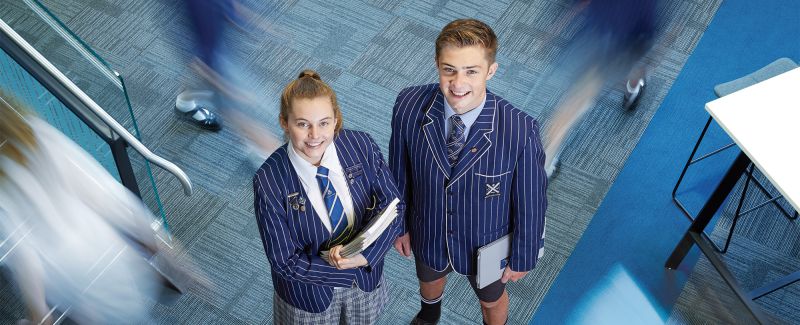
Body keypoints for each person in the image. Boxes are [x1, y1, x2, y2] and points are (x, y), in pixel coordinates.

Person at [389, 19, 548, 325]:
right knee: (429, 279)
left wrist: (524, 254)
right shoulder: (408, 105)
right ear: (437, 65)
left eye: (471, 71)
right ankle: (429, 313)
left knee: (491, 301)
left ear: (491, 70)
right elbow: (399, 170)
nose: (458, 83)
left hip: (486, 242)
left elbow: (532, 201)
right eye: (449, 69)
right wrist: (399, 224)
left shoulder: (519, 130)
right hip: (428, 229)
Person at [0, 90, 198, 324]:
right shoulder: (35, 133)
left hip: (64, 275)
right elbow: (104, 193)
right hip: (103, 249)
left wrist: (38, 311)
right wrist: (158, 241)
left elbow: (22, 252)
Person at [253, 70, 402, 324]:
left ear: (336, 120)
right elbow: (283, 261)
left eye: (324, 123)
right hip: (307, 298)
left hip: (366, 278)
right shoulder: (269, 182)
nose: (315, 135)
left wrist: (365, 258)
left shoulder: (361, 146)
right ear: (284, 123)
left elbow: (394, 207)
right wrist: (344, 270)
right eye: (303, 124)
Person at [541, 0, 661, 176]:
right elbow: (648, 25)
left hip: (595, 33)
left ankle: (546, 161)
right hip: (617, 39)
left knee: (574, 100)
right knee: (579, 97)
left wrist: (560, 22)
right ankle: (634, 85)